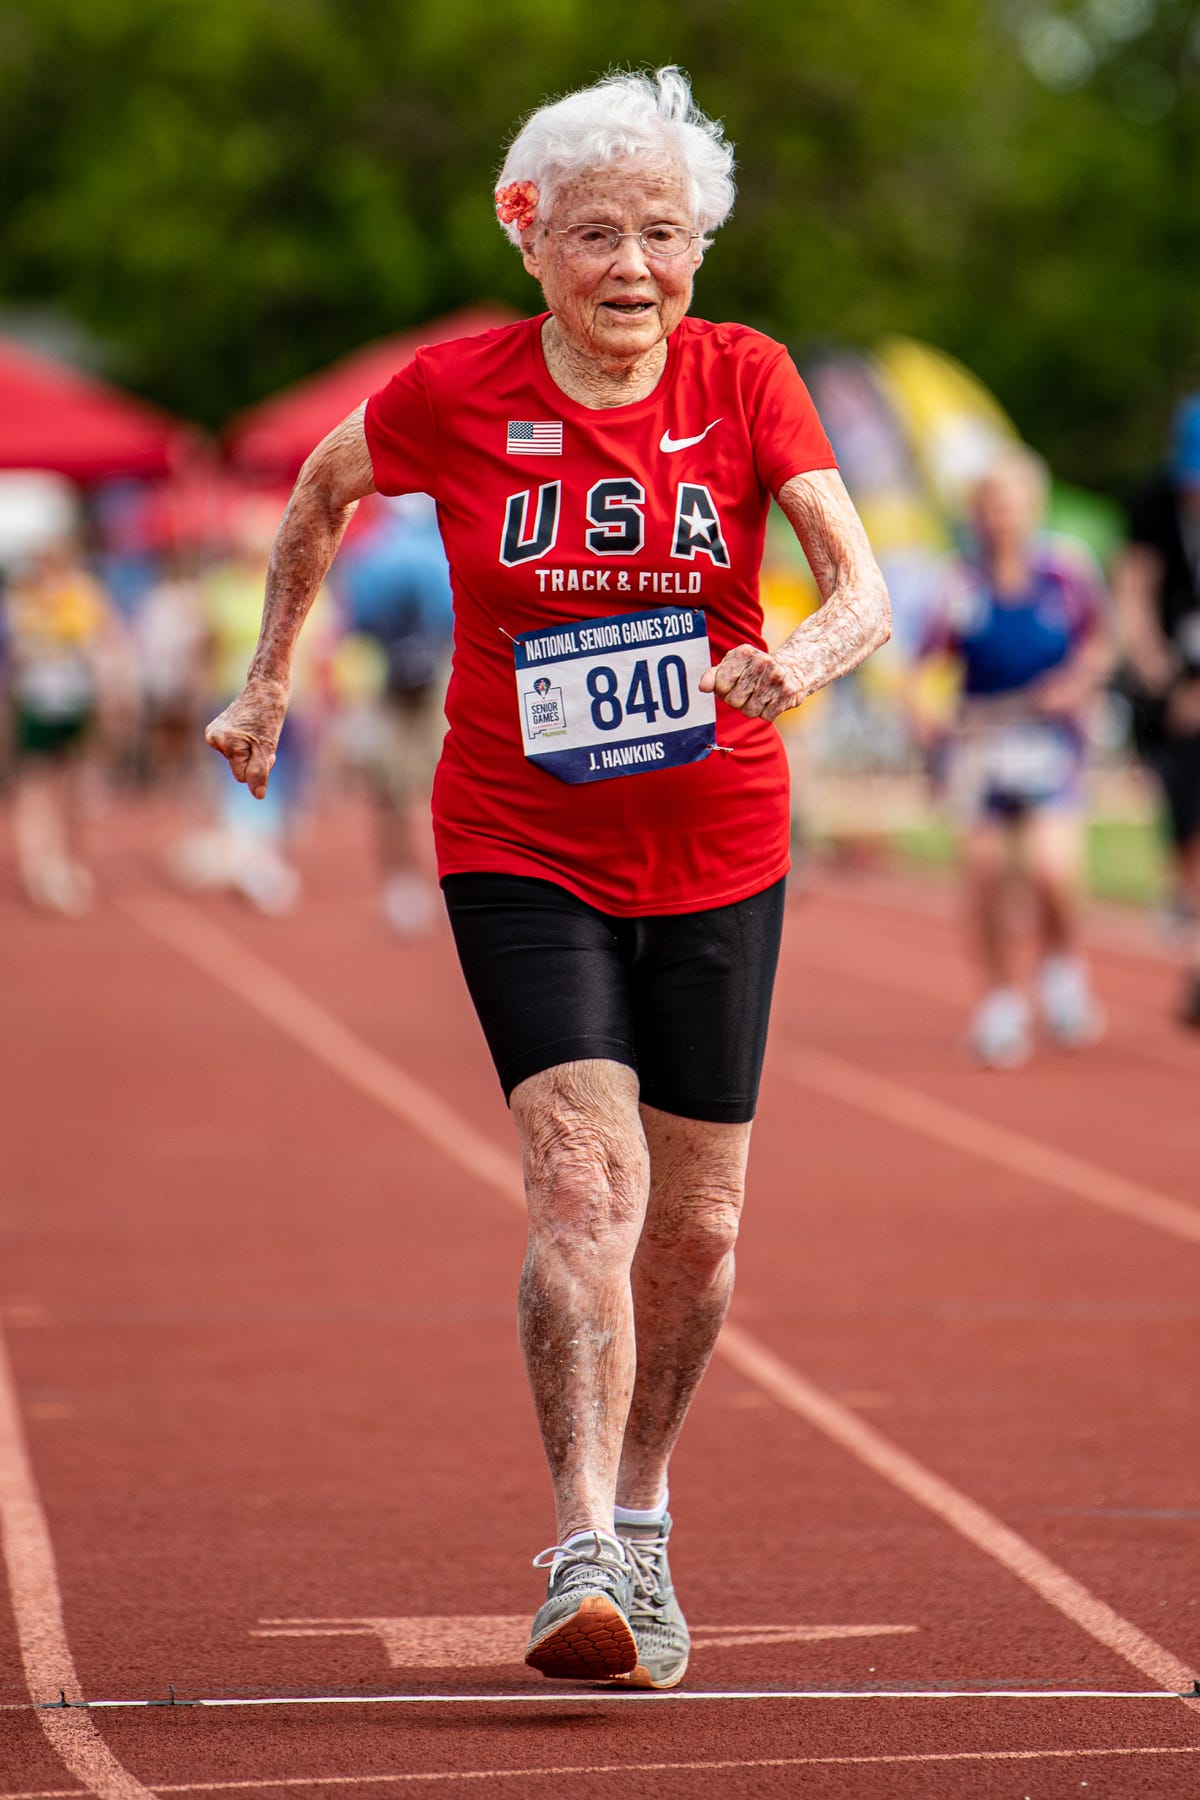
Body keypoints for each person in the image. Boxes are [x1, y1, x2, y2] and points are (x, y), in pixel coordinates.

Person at [206, 67, 890, 1688]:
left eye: (664, 233)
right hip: (521, 833)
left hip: (719, 835)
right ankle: (580, 1541)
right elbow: (321, 490)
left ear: (702, 252)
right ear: (530, 237)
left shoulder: (748, 381)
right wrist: (267, 677)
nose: (635, 265)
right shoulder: (456, 391)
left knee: (702, 1230)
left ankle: (645, 1513)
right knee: (584, 1183)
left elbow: (859, 589)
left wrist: (794, 662)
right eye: (598, 234)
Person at [912, 446, 1111, 1067]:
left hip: (1050, 742)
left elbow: (1100, 646)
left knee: (1053, 870)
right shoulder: (958, 582)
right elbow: (926, 669)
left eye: (1016, 505)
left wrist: (1075, 685)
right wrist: (927, 716)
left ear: (1035, 508)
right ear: (978, 512)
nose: (1004, 517)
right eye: (993, 505)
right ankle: (999, 1001)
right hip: (981, 744)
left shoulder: (1066, 572)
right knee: (986, 873)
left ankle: (1062, 969)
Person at [1112, 393, 1200, 1026]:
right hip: (1172, 692)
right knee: (1185, 825)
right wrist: (1165, 680)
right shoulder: (1152, 504)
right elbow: (1134, 597)